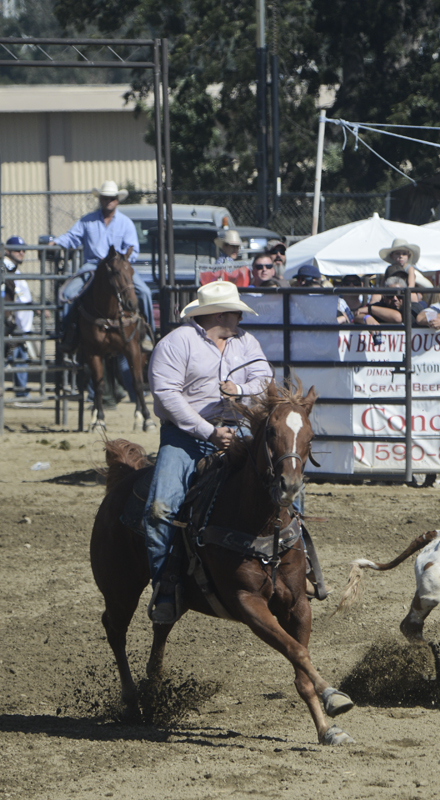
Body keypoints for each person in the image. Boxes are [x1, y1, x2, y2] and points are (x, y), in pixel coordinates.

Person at [143, 281, 274, 623]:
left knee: (283, 484)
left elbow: (263, 377)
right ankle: (166, 589)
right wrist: (209, 432)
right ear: (219, 314)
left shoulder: (245, 342)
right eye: (235, 312)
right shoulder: (176, 343)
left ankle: (296, 564)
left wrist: (240, 389)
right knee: (160, 508)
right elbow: (167, 397)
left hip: (240, 428)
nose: (239, 318)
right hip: (186, 434)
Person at [55, 180, 154, 352]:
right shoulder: (87, 221)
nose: (109, 201)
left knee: (144, 292)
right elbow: (71, 237)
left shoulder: (125, 223)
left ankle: (148, 334)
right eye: (105, 198)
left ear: (117, 200)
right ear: (100, 199)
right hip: (92, 266)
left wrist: (120, 262)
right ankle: (69, 334)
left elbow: (133, 248)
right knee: (69, 294)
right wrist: (56, 243)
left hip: (118, 267)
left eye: (112, 198)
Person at [3, 237, 34, 398]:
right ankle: (21, 391)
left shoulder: (15, 270)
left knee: (18, 355)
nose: (22, 253)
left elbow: (22, 296)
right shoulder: (7, 269)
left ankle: (21, 390)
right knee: (12, 354)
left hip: (20, 325)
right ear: (8, 251)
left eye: (23, 250)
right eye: (17, 250)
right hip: (12, 323)